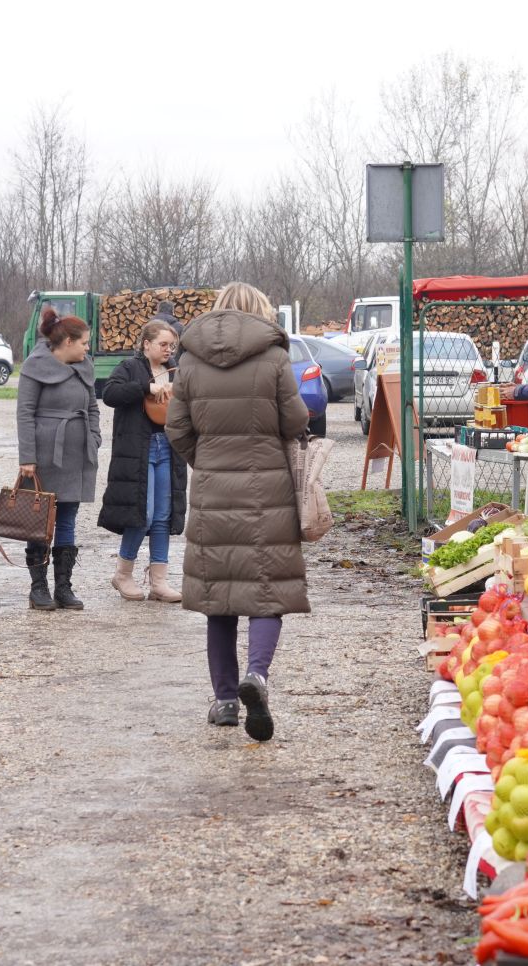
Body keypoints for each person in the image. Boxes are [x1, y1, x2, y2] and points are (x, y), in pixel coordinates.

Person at [166, 281, 310, 742]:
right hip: (268, 487)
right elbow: (296, 421)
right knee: (267, 591)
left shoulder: (188, 361)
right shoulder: (273, 358)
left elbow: (178, 429)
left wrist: (206, 461)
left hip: (212, 490)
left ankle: (226, 699)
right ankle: (258, 676)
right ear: (260, 312)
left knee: (219, 598)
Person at [97, 320, 187, 603]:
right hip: (138, 451)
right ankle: (123, 574)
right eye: (163, 344)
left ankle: (159, 581)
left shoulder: (175, 372)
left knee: (163, 516)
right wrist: (146, 388)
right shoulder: (129, 367)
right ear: (146, 344)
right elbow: (109, 394)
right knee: (142, 513)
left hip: (168, 449)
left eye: (171, 345)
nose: (168, 350)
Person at [17, 307, 100, 611]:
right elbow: (24, 413)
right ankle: (38, 588)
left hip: (77, 454)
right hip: (44, 456)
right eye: (84, 343)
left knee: (67, 519)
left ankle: (63, 588)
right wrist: (27, 456)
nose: (87, 348)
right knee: (39, 521)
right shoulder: (34, 366)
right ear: (67, 342)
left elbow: (92, 407)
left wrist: (94, 437)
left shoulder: (84, 367)